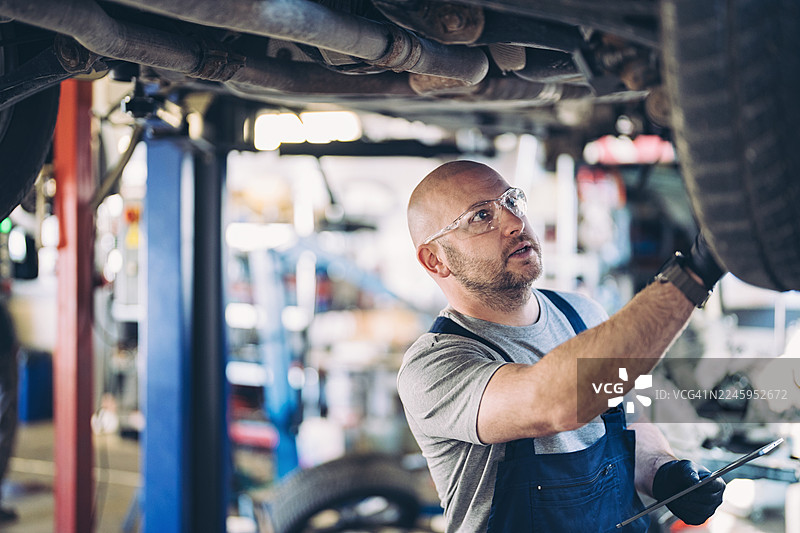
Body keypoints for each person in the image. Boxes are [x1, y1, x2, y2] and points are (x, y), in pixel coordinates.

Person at [397, 160, 726, 532]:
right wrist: (692, 275)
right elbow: (556, 402)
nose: (514, 223)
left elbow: (631, 418)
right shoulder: (434, 367)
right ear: (435, 259)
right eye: (481, 216)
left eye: (512, 202)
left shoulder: (585, 314)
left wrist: (663, 472)